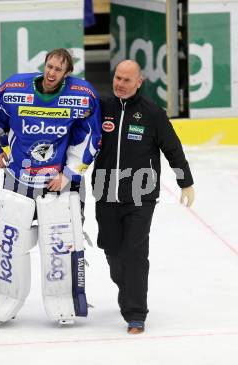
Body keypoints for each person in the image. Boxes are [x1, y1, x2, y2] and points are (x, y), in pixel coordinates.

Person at [0, 48, 102, 325]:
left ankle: (66, 296)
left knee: (62, 241)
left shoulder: (81, 95)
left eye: (58, 69)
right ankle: (2, 294)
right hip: (18, 178)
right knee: (7, 239)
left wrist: (68, 174)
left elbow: (90, 136)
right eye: (49, 66)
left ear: (67, 74)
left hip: (58, 183)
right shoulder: (15, 88)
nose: (52, 72)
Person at [91, 59, 195, 334]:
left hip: (141, 196)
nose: (120, 84)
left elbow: (172, 148)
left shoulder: (153, 113)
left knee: (135, 253)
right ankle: (127, 286)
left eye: (127, 80)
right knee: (111, 249)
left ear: (139, 82)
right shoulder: (102, 108)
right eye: (117, 78)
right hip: (105, 192)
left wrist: (185, 181)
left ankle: (135, 313)